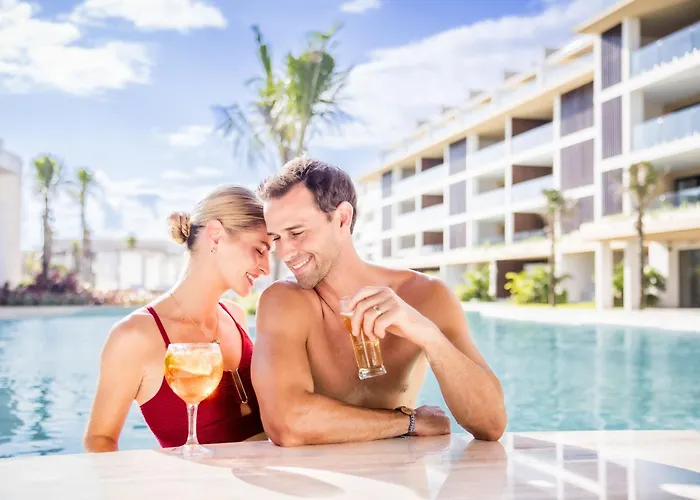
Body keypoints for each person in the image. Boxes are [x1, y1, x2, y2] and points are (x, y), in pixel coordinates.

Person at [252, 157, 507, 447]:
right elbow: (287, 424)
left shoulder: (425, 295)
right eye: (276, 238)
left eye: (297, 233)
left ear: (342, 218)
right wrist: (408, 423)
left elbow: (491, 424)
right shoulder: (284, 302)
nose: (285, 252)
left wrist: (426, 334)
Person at [84, 185, 272, 452]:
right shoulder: (134, 336)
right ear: (215, 236)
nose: (266, 268)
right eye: (260, 250)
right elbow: (99, 439)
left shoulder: (236, 316)